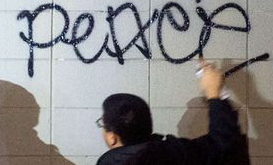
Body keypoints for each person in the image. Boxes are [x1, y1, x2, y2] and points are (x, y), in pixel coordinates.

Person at [95, 59, 248, 165]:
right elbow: (225, 144)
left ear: (112, 138)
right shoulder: (174, 154)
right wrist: (216, 93)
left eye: (102, 123)